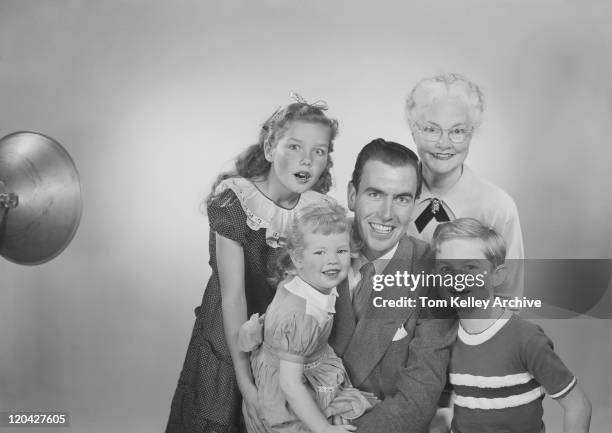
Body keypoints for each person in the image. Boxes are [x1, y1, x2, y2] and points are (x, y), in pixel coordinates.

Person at [166, 97, 339, 433]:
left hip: (281, 346)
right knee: (219, 416)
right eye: (295, 147)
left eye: (319, 151)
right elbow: (233, 297)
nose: (307, 160)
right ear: (271, 148)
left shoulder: (320, 212)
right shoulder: (236, 201)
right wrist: (247, 385)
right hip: (229, 337)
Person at [329, 138, 457, 433]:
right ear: (352, 195)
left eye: (401, 198)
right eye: (375, 194)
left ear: (415, 206)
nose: (387, 213)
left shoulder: (434, 275)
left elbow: (416, 403)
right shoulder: (312, 245)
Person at [430, 218, 591, 433]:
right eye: (446, 269)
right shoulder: (445, 337)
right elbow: (451, 407)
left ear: (497, 276)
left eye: (470, 267)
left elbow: (578, 406)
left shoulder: (526, 339)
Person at [237, 202, 376, 433]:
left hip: (302, 365)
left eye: (340, 251)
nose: (332, 260)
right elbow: (290, 385)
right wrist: (323, 429)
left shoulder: (303, 280)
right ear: (298, 258)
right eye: (320, 252)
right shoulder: (301, 316)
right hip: (288, 390)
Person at [405, 73, 524, 298]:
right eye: (431, 129)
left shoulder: (498, 208)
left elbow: (509, 296)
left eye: (457, 131)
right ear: (414, 131)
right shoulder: (393, 196)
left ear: (472, 134)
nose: (444, 143)